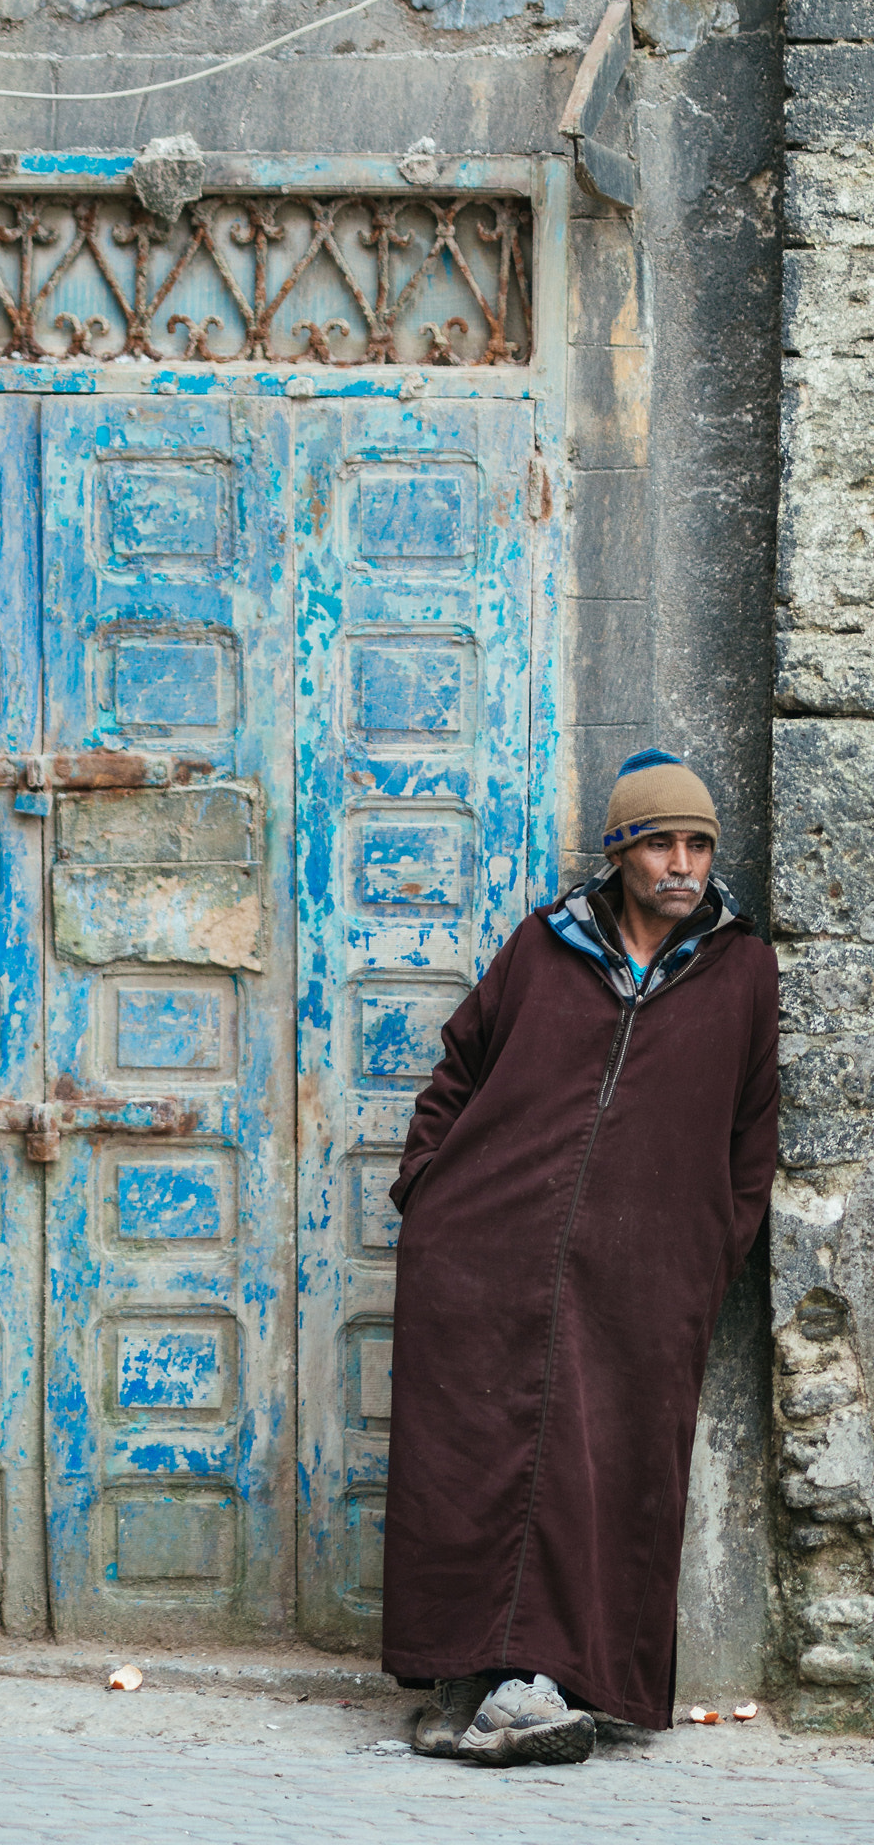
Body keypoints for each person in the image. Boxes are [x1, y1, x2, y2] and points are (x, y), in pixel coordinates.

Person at [382, 749, 779, 1766]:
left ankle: (551, 1684)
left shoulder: (741, 969)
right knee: (469, 1456)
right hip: (487, 1250)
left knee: (604, 1468)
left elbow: (751, 1131)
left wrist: (703, 1254)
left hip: (643, 1278)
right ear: (619, 851)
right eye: (658, 842)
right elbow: (457, 1067)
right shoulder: (543, 946)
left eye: (696, 842)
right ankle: (468, 1683)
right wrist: (426, 1186)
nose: (681, 862)